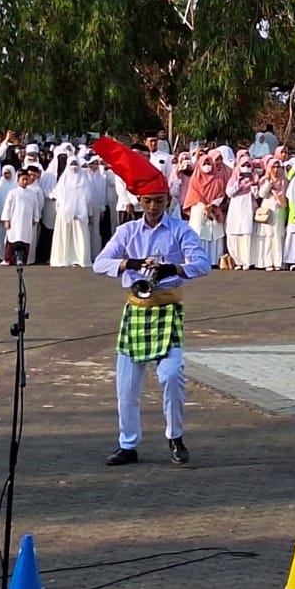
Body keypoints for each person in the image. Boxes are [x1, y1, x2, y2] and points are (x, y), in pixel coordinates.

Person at [91, 138, 212, 466]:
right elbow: (98, 263)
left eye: (159, 201)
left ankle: (175, 436)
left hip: (167, 308)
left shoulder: (180, 230)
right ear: (139, 201)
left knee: (172, 375)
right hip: (136, 308)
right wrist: (129, 264)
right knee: (126, 385)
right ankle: (127, 443)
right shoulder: (128, 231)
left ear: (167, 200)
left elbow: (203, 264)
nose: (153, 207)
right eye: (148, 202)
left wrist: (173, 268)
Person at [1, 164, 44, 264]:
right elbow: (7, 207)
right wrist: (6, 220)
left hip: (27, 222)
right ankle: (9, 259)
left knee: (25, 241)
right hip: (14, 221)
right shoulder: (13, 193)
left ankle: (23, 259)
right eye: (23, 179)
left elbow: (36, 207)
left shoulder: (32, 193)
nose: (25, 181)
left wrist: (35, 218)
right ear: (18, 180)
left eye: (26, 179)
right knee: (12, 239)